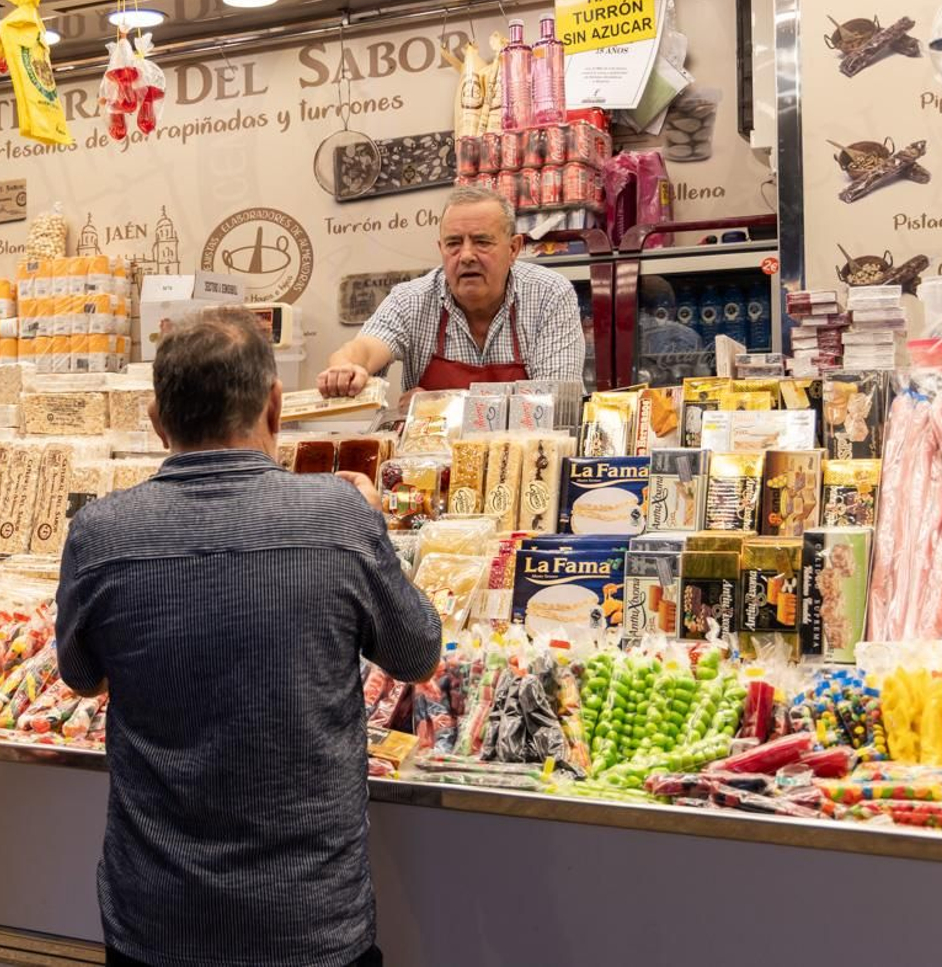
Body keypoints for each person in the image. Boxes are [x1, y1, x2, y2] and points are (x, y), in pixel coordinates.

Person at [57, 307, 442, 967]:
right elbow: (417, 652)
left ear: (157, 418)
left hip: (157, 920)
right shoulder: (340, 515)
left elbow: (81, 675)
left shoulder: (100, 532)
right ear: (273, 405)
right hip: (308, 924)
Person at [317, 187, 586, 401]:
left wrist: (439, 406)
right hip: (431, 466)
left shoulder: (549, 294)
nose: (466, 256)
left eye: (482, 242)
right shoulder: (411, 299)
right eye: (454, 244)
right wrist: (345, 367)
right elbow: (364, 349)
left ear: (513, 249)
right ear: (441, 248)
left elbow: (556, 402)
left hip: (526, 461)